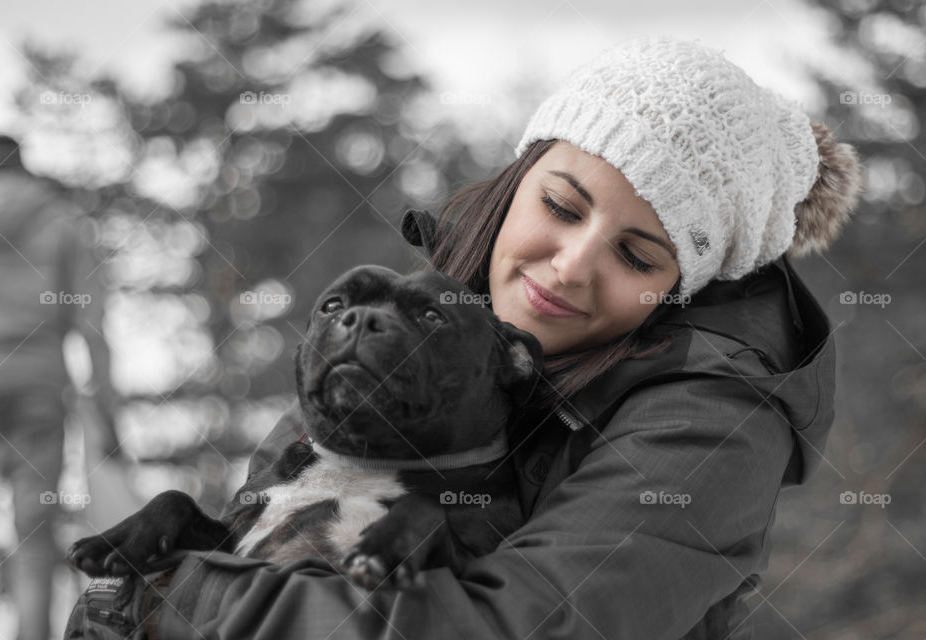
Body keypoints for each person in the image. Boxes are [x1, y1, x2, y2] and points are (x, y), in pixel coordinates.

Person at [68, 37, 861, 639]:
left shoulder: (716, 423)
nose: (571, 265)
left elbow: (504, 626)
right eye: (562, 205)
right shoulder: (413, 334)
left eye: (634, 255)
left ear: (677, 291)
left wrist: (149, 596)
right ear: (517, 185)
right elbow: (267, 537)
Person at [0, 135, 118, 640]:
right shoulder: (60, 220)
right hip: (38, 386)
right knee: (34, 540)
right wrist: (108, 409)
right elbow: (93, 326)